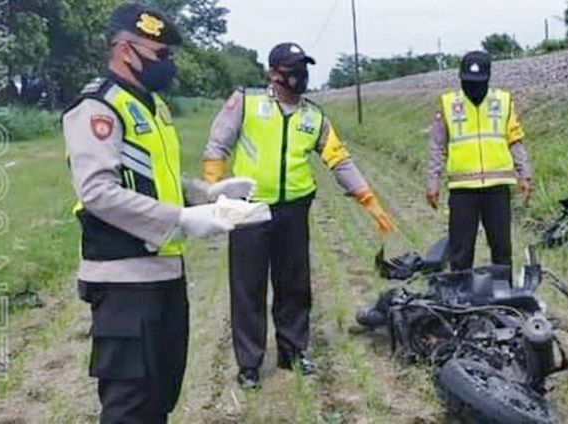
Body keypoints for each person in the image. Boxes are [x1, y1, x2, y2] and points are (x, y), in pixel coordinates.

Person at [62, 4, 257, 423]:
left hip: (166, 273)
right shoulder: (97, 107)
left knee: (161, 397)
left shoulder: (151, 105)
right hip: (124, 281)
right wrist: (181, 220)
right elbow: (97, 191)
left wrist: (207, 194)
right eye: (161, 54)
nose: (168, 65)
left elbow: (154, 179)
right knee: (130, 406)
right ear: (126, 51)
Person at [202, 42, 395, 389]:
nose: (300, 76)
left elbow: (339, 160)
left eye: (304, 69)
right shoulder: (246, 103)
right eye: (293, 70)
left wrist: (368, 198)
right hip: (249, 207)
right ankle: (249, 364)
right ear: (274, 74)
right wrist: (214, 189)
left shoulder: (314, 116)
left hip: (294, 209)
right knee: (248, 288)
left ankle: (293, 351)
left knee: (294, 284)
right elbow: (217, 145)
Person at [426, 51, 532, 273]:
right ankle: (460, 297)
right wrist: (432, 182)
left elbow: (515, 140)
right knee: (461, 250)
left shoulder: (503, 101)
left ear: (488, 78)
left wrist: (524, 174)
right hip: (462, 190)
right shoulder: (448, 104)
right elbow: (437, 146)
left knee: (502, 249)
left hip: (498, 187)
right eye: (468, 82)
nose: (473, 87)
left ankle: (503, 297)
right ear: (461, 78)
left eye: (478, 82)